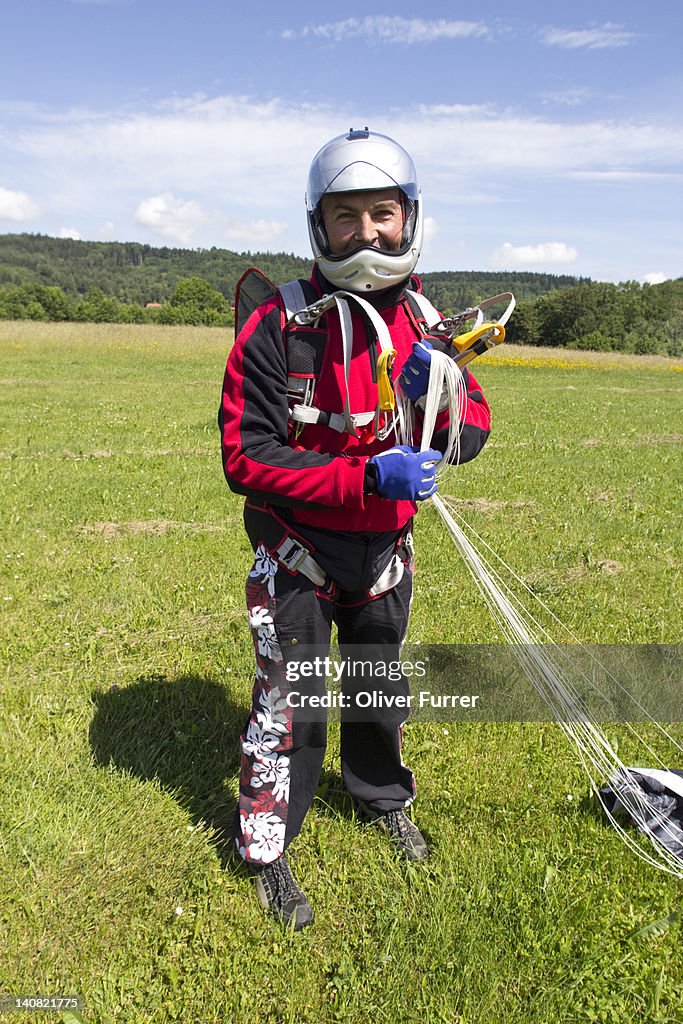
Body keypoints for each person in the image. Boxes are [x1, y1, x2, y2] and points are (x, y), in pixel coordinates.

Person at [219, 128, 491, 930]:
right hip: (296, 552)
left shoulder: (429, 319)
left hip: (384, 554)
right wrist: (364, 475)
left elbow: (470, 431)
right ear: (319, 225)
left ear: (408, 217)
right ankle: (269, 849)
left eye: (381, 213)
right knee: (290, 701)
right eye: (346, 217)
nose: (366, 234)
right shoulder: (277, 324)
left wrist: (438, 394)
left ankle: (379, 798)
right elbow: (246, 456)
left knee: (377, 685)